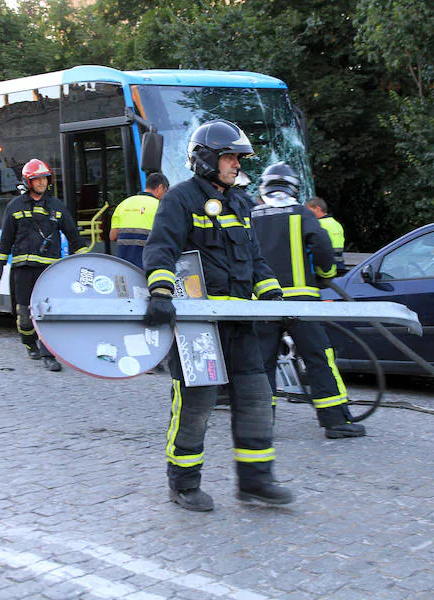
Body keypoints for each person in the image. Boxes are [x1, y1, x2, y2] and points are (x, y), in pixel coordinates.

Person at [143, 119, 293, 512]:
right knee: (196, 403)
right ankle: (184, 483)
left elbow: (255, 260)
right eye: (230, 156)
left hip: (239, 322)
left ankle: (256, 482)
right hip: (197, 326)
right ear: (206, 158)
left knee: (257, 399)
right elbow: (161, 250)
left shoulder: (241, 203)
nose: (236, 164)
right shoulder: (179, 200)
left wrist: (275, 297)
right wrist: (160, 292)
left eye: (238, 158)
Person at [251, 163, 366, 439]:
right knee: (318, 358)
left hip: (261, 302)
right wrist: (325, 274)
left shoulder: (251, 216)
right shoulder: (301, 213)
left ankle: (259, 425)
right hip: (301, 301)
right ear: (293, 187)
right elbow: (323, 247)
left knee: (261, 363)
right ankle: (336, 421)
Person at [0, 159, 86, 372]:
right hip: (23, 269)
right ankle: (29, 343)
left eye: (44, 178)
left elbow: (74, 236)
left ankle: (48, 353)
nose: (42, 183)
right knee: (25, 313)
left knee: (48, 311)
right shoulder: (15, 207)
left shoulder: (57, 206)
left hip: (49, 271)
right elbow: (6, 238)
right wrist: (0, 264)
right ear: (28, 182)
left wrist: (81, 262)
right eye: (37, 179)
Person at [109, 172, 170, 269]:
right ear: (160, 188)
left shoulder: (123, 204)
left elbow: (113, 236)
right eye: (165, 192)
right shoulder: (161, 206)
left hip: (125, 266)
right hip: (149, 264)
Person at [306, 196, 346, 273]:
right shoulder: (336, 223)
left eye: (308, 210)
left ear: (317, 208)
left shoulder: (317, 225)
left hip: (324, 270)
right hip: (339, 266)